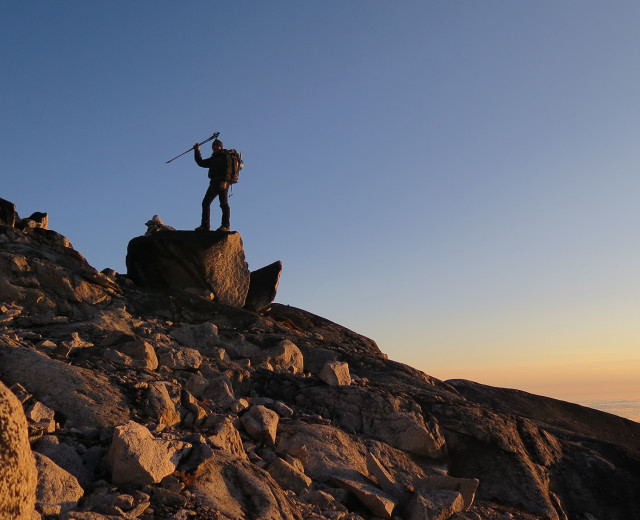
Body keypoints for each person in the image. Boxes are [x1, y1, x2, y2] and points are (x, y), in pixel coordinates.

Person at [193, 139, 231, 232]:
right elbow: (201, 162)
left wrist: (225, 181)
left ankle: (225, 226)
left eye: (216, 146)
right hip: (213, 183)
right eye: (213, 146)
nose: (214, 147)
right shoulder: (213, 158)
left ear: (220, 147)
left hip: (223, 182)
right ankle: (205, 226)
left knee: (223, 204)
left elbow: (228, 169)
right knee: (205, 203)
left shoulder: (225, 155)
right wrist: (197, 150)